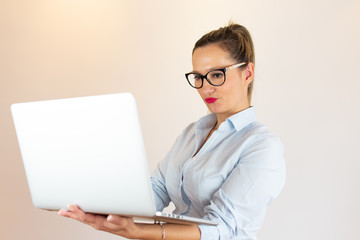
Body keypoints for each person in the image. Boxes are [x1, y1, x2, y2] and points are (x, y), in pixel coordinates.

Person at [59, 22, 286, 240]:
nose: (205, 87)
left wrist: (136, 231)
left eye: (217, 74)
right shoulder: (192, 133)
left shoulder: (262, 146)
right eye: (198, 77)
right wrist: (104, 209)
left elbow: (220, 229)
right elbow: (157, 188)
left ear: (247, 73)